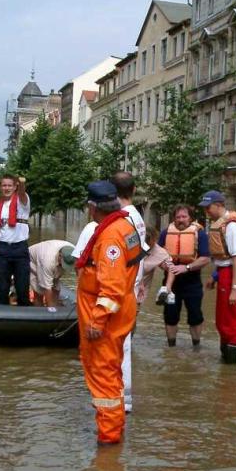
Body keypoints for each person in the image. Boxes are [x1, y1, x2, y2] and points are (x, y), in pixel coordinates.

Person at [76, 181, 143, 445]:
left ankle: (109, 438)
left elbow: (112, 288)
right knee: (111, 372)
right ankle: (114, 427)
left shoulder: (110, 237)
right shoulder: (124, 226)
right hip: (119, 311)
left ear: (93, 207)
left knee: (103, 375)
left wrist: (96, 321)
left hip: (104, 318)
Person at [111, 171, 147, 414]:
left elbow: (126, 257)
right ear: (134, 190)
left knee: (119, 345)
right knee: (124, 343)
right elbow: (140, 253)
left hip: (122, 289)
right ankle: (123, 398)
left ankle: (122, 398)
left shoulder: (123, 219)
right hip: (131, 287)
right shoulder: (137, 217)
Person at [198, 190, 236, 364]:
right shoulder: (220, 224)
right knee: (222, 319)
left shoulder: (232, 226)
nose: (206, 211)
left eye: (208, 207)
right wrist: (214, 276)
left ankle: (232, 366)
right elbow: (223, 259)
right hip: (224, 273)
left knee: (230, 318)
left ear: (219, 205)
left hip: (234, 274)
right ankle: (225, 362)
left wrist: (234, 288)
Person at [157, 204, 210, 348]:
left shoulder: (200, 234)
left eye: (184, 217)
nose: (181, 220)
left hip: (192, 281)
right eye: (178, 217)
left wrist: (186, 267)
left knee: (195, 315)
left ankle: (196, 346)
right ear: (174, 218)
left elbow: (205, 258)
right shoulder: (165, 233)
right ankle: (171, 347)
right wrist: (166, 266)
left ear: (190, 218)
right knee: (170, 315)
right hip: (170, 282)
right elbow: (157, 254)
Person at [0, 174, 31, 306]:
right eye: (4, 185)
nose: (7, 188)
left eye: (10, 185)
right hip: (3, 250)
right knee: (2, 289)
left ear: (15, 187)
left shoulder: (22, 202)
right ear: (0, 187)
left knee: (22, 288)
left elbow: (22, 192)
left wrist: (21, 183)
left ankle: (25, 317)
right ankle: (2, 317)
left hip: (20, 249)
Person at [29, 240, 76, 306]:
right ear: (60, 256)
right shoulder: (47, 261)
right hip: (33, 261)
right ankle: (40, 309)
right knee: (39, 291)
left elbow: (79, 269)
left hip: (52, 259)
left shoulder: (74, 252)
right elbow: (47, 287)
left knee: (56, 288)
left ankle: (55, 305)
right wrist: (51, 309)